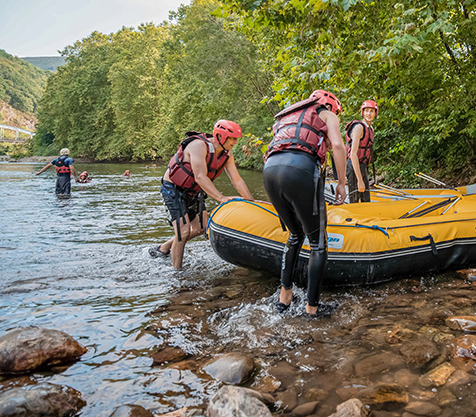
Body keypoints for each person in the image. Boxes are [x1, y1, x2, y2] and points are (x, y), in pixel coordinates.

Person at [263, 89, 347, 317]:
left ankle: (285, 298)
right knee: (318, 243)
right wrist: (341, 182)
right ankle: (312, 309)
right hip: (299, 170)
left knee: (295, 235)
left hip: (270, 171)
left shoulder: (284, 118)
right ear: (331, 106)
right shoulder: (328, 114)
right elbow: (338, 146)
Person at [150, 120, 254, 269]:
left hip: (194, 190)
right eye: (233, 139)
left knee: (201, 228)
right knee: (183, 232)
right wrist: (222, 198)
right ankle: (177, 275)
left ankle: (163, 248)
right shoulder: (199, 146)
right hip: (173, 188)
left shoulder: (227, 154)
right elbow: (200, 177)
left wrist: (251, 201)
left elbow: (237, 180)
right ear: (221, 137)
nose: (236, 142)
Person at [345, 100, 378, 203]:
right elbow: (353, 154)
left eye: (371, 111)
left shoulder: (370, 128)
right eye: (366, 111)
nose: (369, 114)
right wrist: (360, 180)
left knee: (366, 199)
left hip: (363, 165)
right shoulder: (359, 128)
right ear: (362, 112)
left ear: (375, 113)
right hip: (353, 165)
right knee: (354, 199)